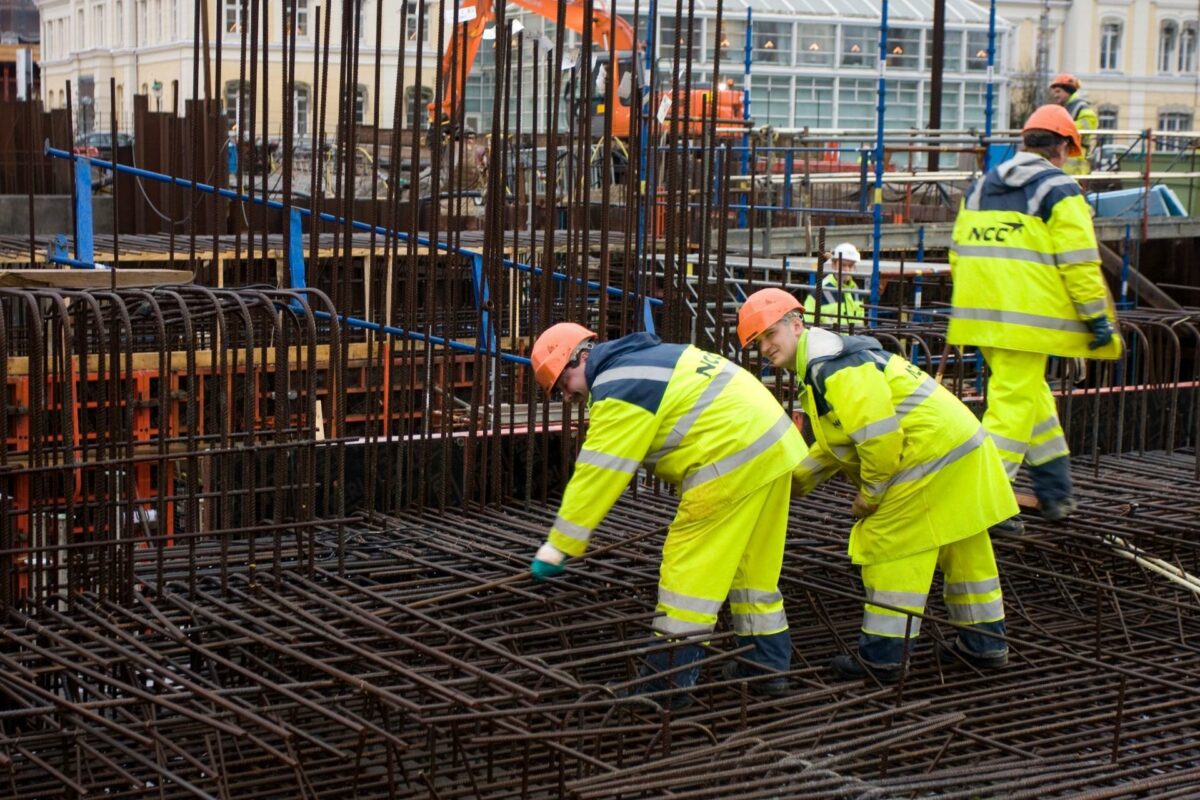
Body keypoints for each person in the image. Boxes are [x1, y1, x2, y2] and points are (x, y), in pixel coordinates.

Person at [737, 288, 1018, 682]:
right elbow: (838, 445)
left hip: (925, 459)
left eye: (770, 335)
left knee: (888, 547)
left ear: (796, 325)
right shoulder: (827, 362)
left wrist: (870, 496)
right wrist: (789, 483)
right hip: (961, 454)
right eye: (757, 342)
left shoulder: (831, 367)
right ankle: (984, 644)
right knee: (966, 549)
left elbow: (879, 441)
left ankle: (884, 657)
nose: (765, 347)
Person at [528, 322, 808, 702]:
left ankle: (666, 686)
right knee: (754, 569)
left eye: (564, 384)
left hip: (731, 460)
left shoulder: (621, 386)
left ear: (580, 356)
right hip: (775, 447)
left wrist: (560, 545)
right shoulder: (653, 357)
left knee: (687, 577)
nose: (567, 396)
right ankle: (766, 666)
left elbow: (598, 473)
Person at [948, 104, 1121, 525]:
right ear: (1063, 146)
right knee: (1011, 409)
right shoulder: (1060, 189)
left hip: (980, 317)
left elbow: (958, 252)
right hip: (1027, 323)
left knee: (1030, 397)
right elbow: (1079, 263)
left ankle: (1054, 487)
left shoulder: (982, 186)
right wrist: (1096, 317)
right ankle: (985, 503)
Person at [803, 242, 866, 326]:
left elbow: (860, 323)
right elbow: (808, 325)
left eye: (850, 266)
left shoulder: (856, 291)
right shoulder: (819, 290)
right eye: (843, 265)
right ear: (833, 265)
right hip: (829, 339)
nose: (847, 270)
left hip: (854, 339)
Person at [1047, 73, 1098, 175]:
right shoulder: (1066, 107)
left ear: (1068, 91)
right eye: (1054, 92)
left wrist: (1061, 129)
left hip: (1076, 160)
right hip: (1069, 158)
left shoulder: (1080, 106)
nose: (1055, 95)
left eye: (1058, 91)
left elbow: (1089, 123)